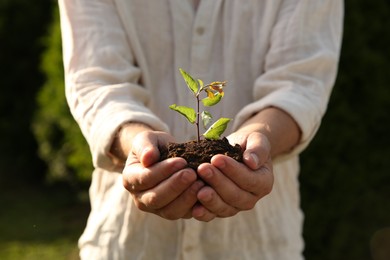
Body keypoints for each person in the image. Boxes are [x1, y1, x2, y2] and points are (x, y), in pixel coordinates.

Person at [58, 0, 343, 259]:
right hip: (131, 243)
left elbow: (301, 83)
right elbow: (96, 81)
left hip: (255, 245)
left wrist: (259, 140)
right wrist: (136, 143)